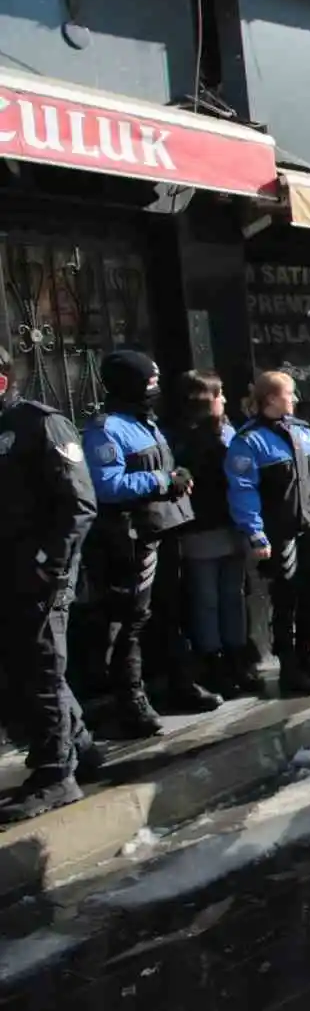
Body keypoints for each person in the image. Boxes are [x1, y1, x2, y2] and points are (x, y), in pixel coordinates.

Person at [0, 345, 103, 822]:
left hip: (41, 573)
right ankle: (79, 747)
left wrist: (49, 563)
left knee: (42, 669)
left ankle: (55, 774)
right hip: (10, 574)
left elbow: (78, 504)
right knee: (29, 667)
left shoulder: (40, 424)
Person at [81, 351, 197, 737]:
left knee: (171, 611)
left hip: (164, 529)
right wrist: (163, 482)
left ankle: (181, 684)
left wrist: (177, 475)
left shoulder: (144, 422)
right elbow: (107, 486)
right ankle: (131, 703)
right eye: (150, 384)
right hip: (132, 538)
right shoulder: (106, 429)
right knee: (131, 621)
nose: (156, 390)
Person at [226, 372, 310, 696]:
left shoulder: (301, 430)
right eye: (288, 394)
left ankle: (306, 655)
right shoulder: (249, 441)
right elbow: (242, 489)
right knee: (286, 599)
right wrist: (255, 532)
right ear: (270, 399)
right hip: (280, 532)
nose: (294, 399)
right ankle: (289, 668)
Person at [168, 371, 258, 699]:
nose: (225, 401)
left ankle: (238, 658)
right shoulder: (183, 437)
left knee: (233, 596)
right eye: (219, 395)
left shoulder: (229, 430)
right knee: (207, 600)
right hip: (201, 527)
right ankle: (214, 662)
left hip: (230, 523)